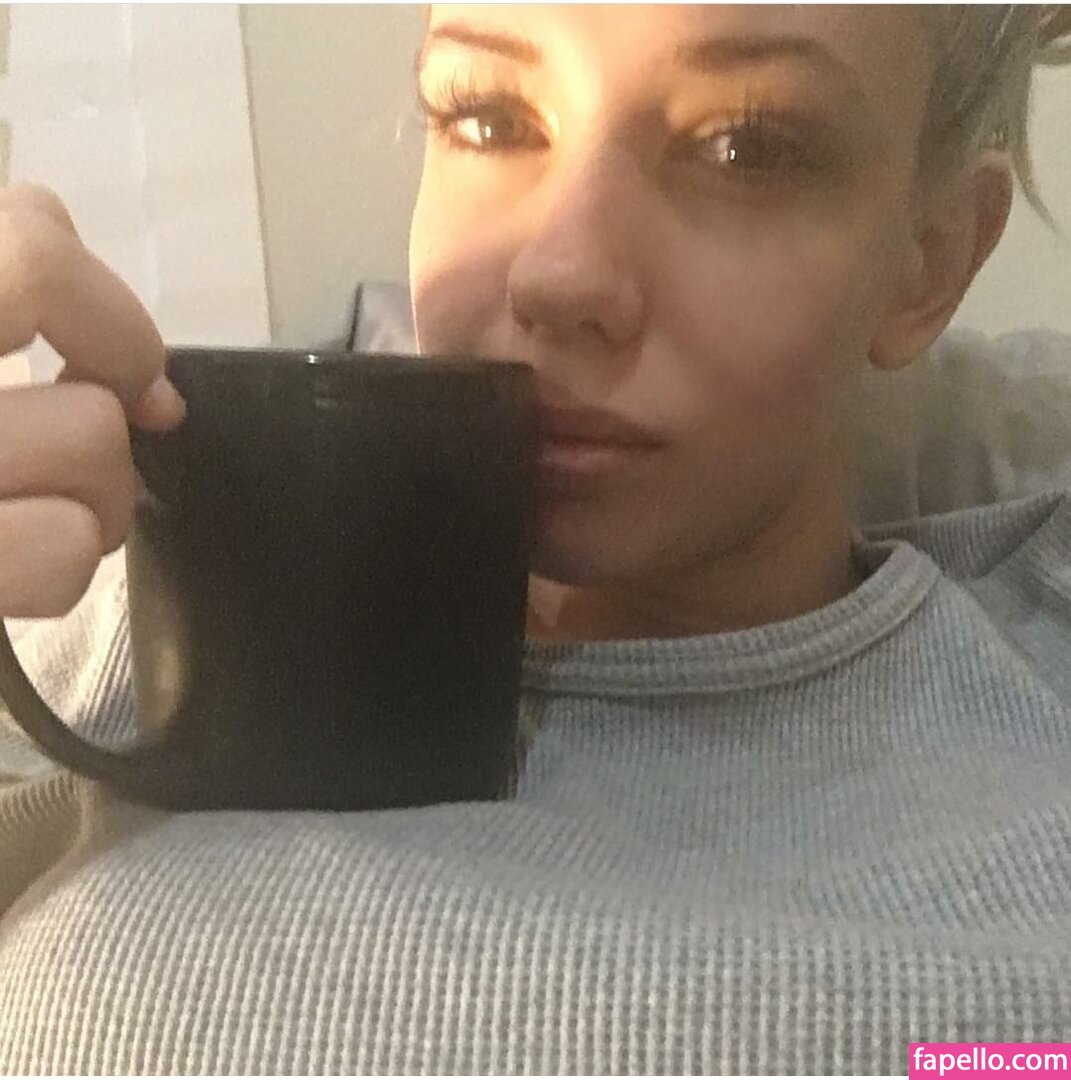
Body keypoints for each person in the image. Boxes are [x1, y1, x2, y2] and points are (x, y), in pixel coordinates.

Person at [1, 4, 1070, 1074]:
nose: (558, 276)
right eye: (488, 117)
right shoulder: (143, 600)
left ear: (930, 263)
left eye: (746, 146)